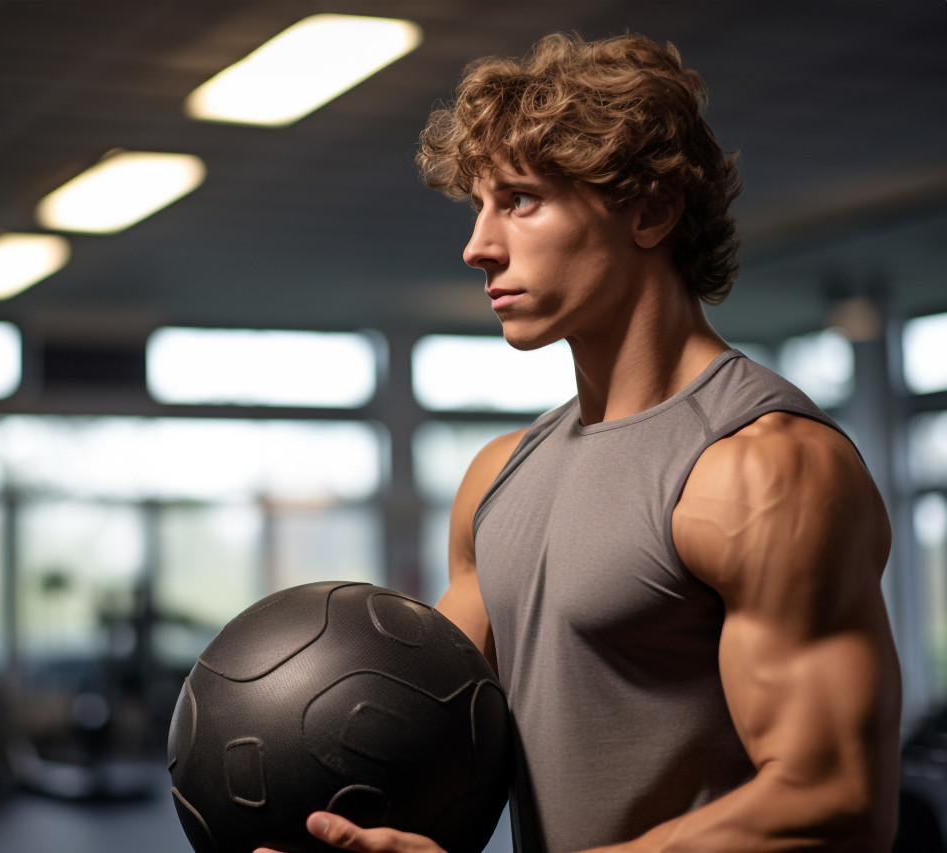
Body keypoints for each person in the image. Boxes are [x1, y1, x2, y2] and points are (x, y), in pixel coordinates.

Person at [255, 31, 901, 853]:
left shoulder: (766, 468)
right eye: (481, 208)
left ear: (651, 210)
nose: (478, 246)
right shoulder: (498, 478)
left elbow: (833, 802)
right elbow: (422, 733)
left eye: (520, 200)